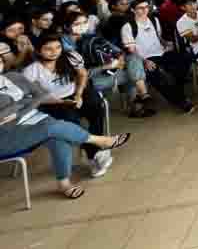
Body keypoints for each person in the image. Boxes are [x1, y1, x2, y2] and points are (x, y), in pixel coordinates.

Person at [1, 57, 131, 199]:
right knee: (51, 126)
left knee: (58, 136)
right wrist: (27, 103)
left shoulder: (12, 77)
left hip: (34, 118)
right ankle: (101, 141)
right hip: (6, 135)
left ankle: (64, 183)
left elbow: (40, 95)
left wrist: (22, 108)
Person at [22, 35, 112, 177]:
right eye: (48, 49)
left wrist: (78, 94)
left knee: (96, 107)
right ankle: (95, 153)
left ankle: (96, 149)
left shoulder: (70, 57)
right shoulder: (32, 70)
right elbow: (30, 97)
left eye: (58, 47)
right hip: (53, 102)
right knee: (72, 120)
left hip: (75, 94)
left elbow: (83, 75)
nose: (54, 52)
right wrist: (59, 102)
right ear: (38, 51)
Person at [121, 0, 196, 114]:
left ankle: (178, 92)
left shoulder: (154, 20)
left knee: (184, 59)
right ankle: (182, 101)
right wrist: (144, 61)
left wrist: (166, 44)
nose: (145, 10)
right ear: (133, 10)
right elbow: (132, 51)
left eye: (146, 7)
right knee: (158, 77)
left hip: (161, 52)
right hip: (146, 58)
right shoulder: (128, 27)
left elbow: (159, 37)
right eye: (141, 8)